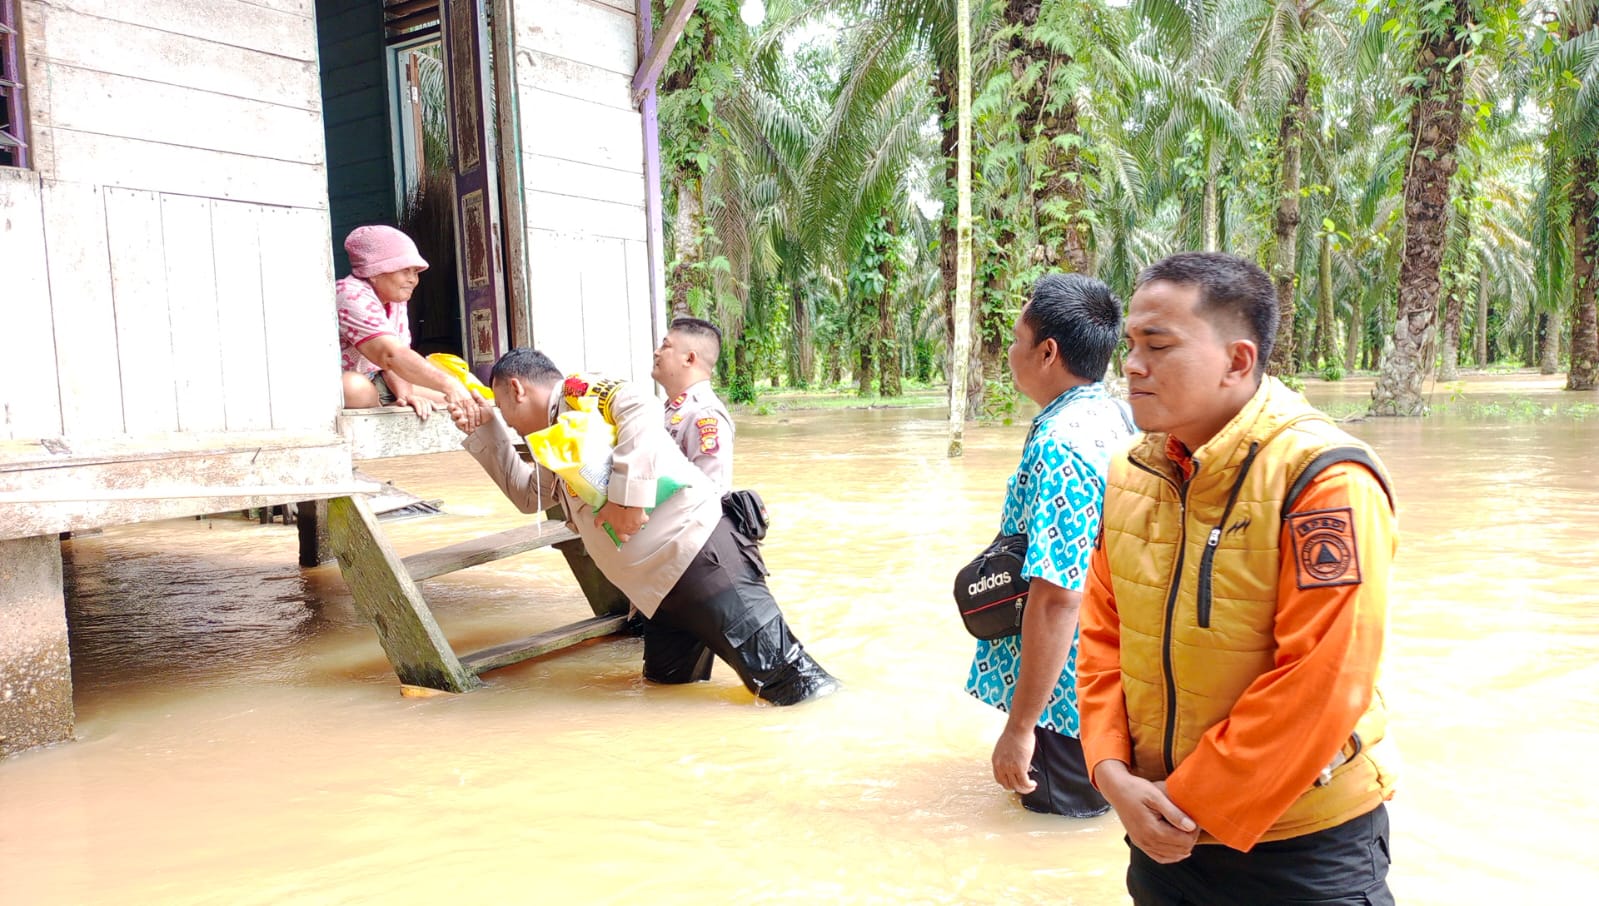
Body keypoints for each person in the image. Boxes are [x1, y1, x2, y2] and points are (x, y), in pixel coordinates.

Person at [1076, 252, 1398, 905]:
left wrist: (1186, 805)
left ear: (1237, 360)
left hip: (1300, 849)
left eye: (1158, 345)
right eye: (1130, 344)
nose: (1131, 365)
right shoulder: (1130, 474)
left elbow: (1323, 678)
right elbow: (1102, 641)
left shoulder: (1323, 478)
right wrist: (1109, 772)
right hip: (1159, 837)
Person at [451, 348, 838, 705]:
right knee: (666, 696)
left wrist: (627, 498)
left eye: (502, 407)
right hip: (658, 594)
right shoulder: (554, 440)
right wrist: (485, 429)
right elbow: (527, 495)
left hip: (703, 561)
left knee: (796, 685)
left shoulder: (576, 391)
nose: (509, 422)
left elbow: (637, 403)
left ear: (517, 388)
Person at [966, 273, 1133, 818]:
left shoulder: (1062, 445)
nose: (1009, 350)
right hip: (1108, 680)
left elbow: (1060, 593)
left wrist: (1019, 729)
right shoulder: (1112, 415)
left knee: (1056, 831)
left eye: (1016, 338)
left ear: (1047, 352)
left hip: (1066, 706)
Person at [336, 224, 484, 427]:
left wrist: (405, 395)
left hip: (380, 382)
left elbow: (399, 355)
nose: (413, 280)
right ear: (374, 272)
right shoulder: (349, 294)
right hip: (348, 388)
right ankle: (380, 415)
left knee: (470, 404)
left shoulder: (394, 299)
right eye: (405, 271)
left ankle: (386, 405)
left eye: (415, 272)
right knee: (354, 387)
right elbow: (390, 355)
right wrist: (449, 384)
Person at [651, 317, 735, 491]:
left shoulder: (704, 415)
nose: (656, 352)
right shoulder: (669, 409)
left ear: (689, 359)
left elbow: (710, 496)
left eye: (665, 346)